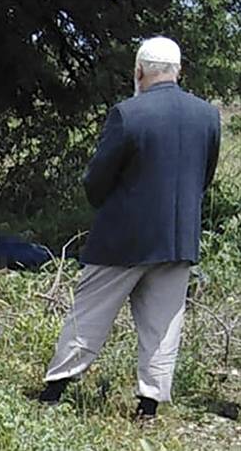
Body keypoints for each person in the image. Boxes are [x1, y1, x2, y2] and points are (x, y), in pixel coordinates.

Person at [36, 37, 221, 419]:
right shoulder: (207, 115)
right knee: (163, 324)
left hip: (123, 238)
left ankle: (54, 394)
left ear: (138, 71)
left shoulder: (128, 113)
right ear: (178, 70)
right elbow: (205, 176)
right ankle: (148, 408)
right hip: (179, 238)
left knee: (89, 313)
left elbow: (96, 181)